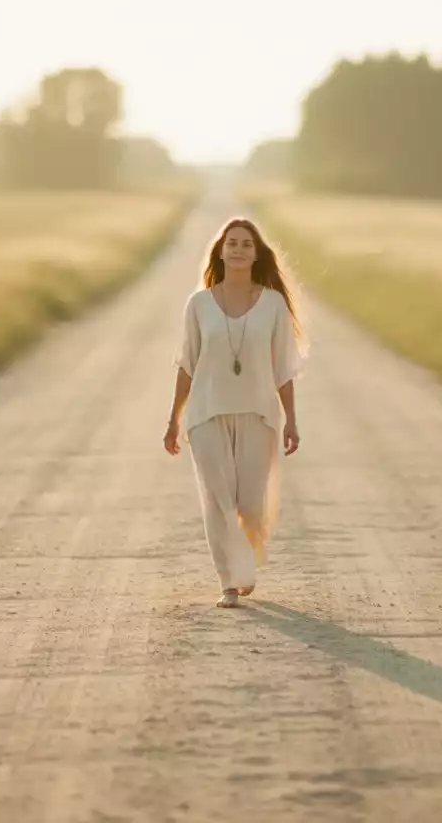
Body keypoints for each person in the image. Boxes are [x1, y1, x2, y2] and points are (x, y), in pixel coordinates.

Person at [163, 216, 307, 608]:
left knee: (249, 504)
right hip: (206, 414)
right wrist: (173, 420)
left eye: (246, 244)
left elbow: (283, 369)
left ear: (257, 253)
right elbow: (186, 364)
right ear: (221, 252)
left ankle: (244, 562)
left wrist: (291, 419)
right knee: (217, 497)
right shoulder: (199, 304)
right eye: (232, 243)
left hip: (258, 415)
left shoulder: (273, 304)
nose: (239, 250)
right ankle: (230, 580)